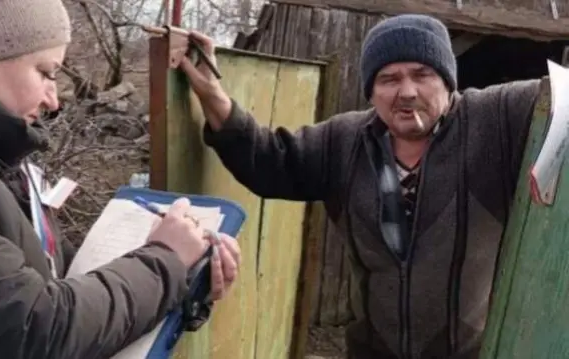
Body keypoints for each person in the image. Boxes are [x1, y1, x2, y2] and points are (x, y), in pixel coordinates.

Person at [180, 14, 541, 359]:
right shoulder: (344, 140)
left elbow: (561, 95)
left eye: (422, 74)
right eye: (389, 79)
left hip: (471, 353)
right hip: (371, 351)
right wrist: (212, 93)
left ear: (447, 80)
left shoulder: (492, 120)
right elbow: (269, 161)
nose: (407, 91)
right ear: (371, 91)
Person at [0, 0, 240, 358]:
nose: (53, 99)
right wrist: (165, 260)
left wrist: (187, 280)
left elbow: (69, 287)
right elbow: (30, 329)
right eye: (46, 72)